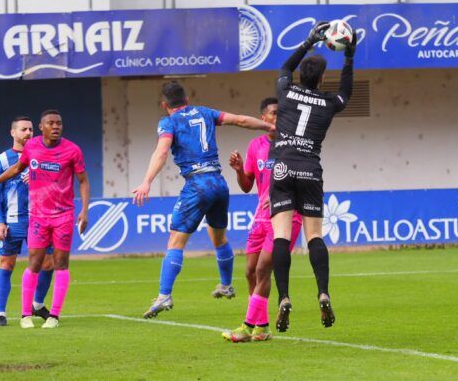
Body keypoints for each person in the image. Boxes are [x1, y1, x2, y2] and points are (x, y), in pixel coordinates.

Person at [131, 81, 274, 319]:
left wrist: (147, 181)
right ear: (187, 99)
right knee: (218, 236)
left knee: (175, 241)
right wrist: (269, 126)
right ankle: (226, 285)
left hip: (197, 184)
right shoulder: (206, 112)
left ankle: (164, 295)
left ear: (164, 104)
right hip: (219, 182)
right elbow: (239, 120)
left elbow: (162, 151)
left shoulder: (168, 122)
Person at [269, 21, 356, 332]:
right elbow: (347, 92)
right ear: (321, 79)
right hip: (310, 169)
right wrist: (349, 57)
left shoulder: (286, 90)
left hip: (281, 167)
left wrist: (308, 42)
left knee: (281, 235)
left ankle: (284, 297)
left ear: (301, 76)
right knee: (314, 236)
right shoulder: (330, 103)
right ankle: (323, 291)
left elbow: (284, 66)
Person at [0, 109, 89, 329]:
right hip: (25, 218)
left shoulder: (71, 150)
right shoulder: (20, 152)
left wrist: (84, 210)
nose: (56, 126)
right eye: (51, 123)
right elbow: (10, 176)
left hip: (58, 215)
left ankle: (46, 310)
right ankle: (10, 313)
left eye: (59, 123)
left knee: (53, 264)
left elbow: (82, 180)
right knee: (19, 263)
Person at [222, 97, 302, 342]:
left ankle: (246, 327)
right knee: (250, 272)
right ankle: (263, 326)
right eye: (274, 113)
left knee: (262, 269)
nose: (278, 118)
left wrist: (284, 196)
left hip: (287, 217)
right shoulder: (255, 146)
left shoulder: (294, 147)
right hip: (260, 217)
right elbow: (247, 186)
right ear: (263, 118)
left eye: (282, 114)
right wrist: (238, 170)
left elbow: (303, 181)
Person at [0, 116, 54, 326]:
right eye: (23, 129)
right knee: (7, 264)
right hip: (13, 221)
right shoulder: (2, 160)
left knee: (47, 264)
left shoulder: (43, 156)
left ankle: (36, 304)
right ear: (13, 133)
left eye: (31, 129)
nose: (28, 133)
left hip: (40, 220)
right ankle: (1, 313)